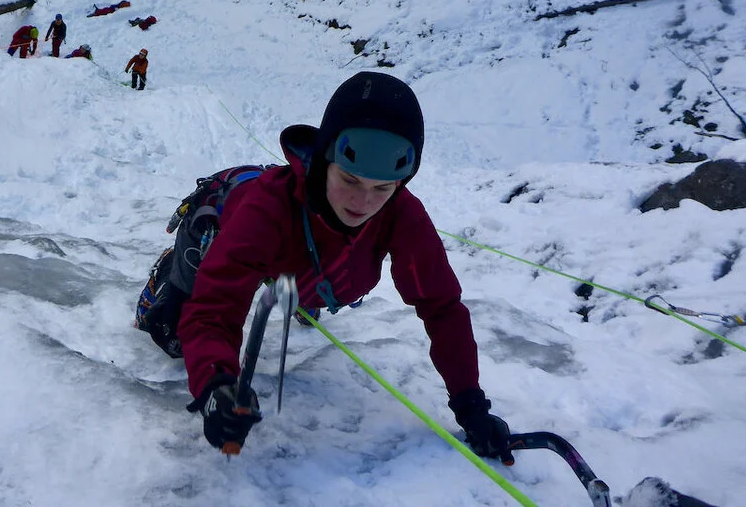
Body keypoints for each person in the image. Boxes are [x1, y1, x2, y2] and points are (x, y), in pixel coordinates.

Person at [141, 72, 511, 459]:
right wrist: (216, 383)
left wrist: (471, 406)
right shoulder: (267, 208)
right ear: (324, 161)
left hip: (303, 263)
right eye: (349, 179)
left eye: (382, 187)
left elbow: (441, 306)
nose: (363, 202)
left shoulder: (402, 213)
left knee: (315, 285)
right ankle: (172, 273)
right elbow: (214, 311)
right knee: (173, 336)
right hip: (220, 218)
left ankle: (305, 288)